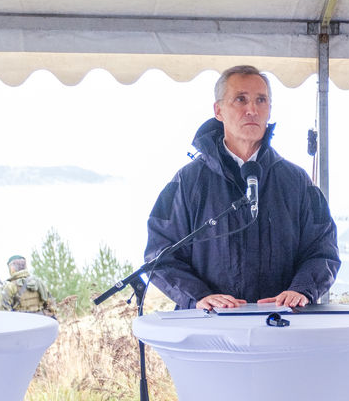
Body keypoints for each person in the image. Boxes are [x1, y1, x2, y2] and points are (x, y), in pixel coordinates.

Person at [145, 65, 339, 309]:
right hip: (209, 328)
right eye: (241, 99)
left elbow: (323, 250)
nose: (252, 110)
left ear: (269, 110)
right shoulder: (187, 182)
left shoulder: (297, 182)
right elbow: (159, 253)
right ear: (218, 110)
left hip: (282, 326)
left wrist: (301, 290)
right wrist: (198, 296)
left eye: (261, 100)